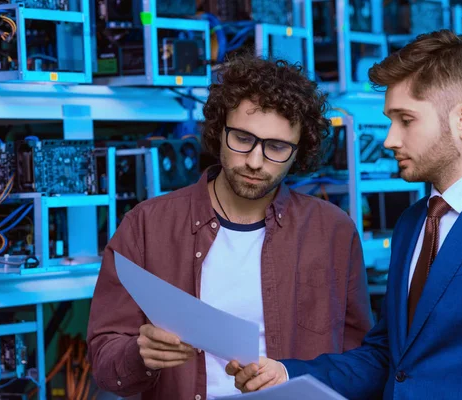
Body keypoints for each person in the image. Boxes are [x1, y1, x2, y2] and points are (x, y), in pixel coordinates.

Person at [226, 30, 462, 399]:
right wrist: (287, 376)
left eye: (405, 120)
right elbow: (388, 358)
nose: (389, 139)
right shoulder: (413, 223)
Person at [86, 55, 374, 400]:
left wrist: (289, 374)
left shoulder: (332, 232)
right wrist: (140, 354)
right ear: (219, 130)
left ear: (300, 151)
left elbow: (361, 363)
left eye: (277, 147)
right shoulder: (148, 224)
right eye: (242, 138)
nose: (254, 161)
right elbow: (104, 360)